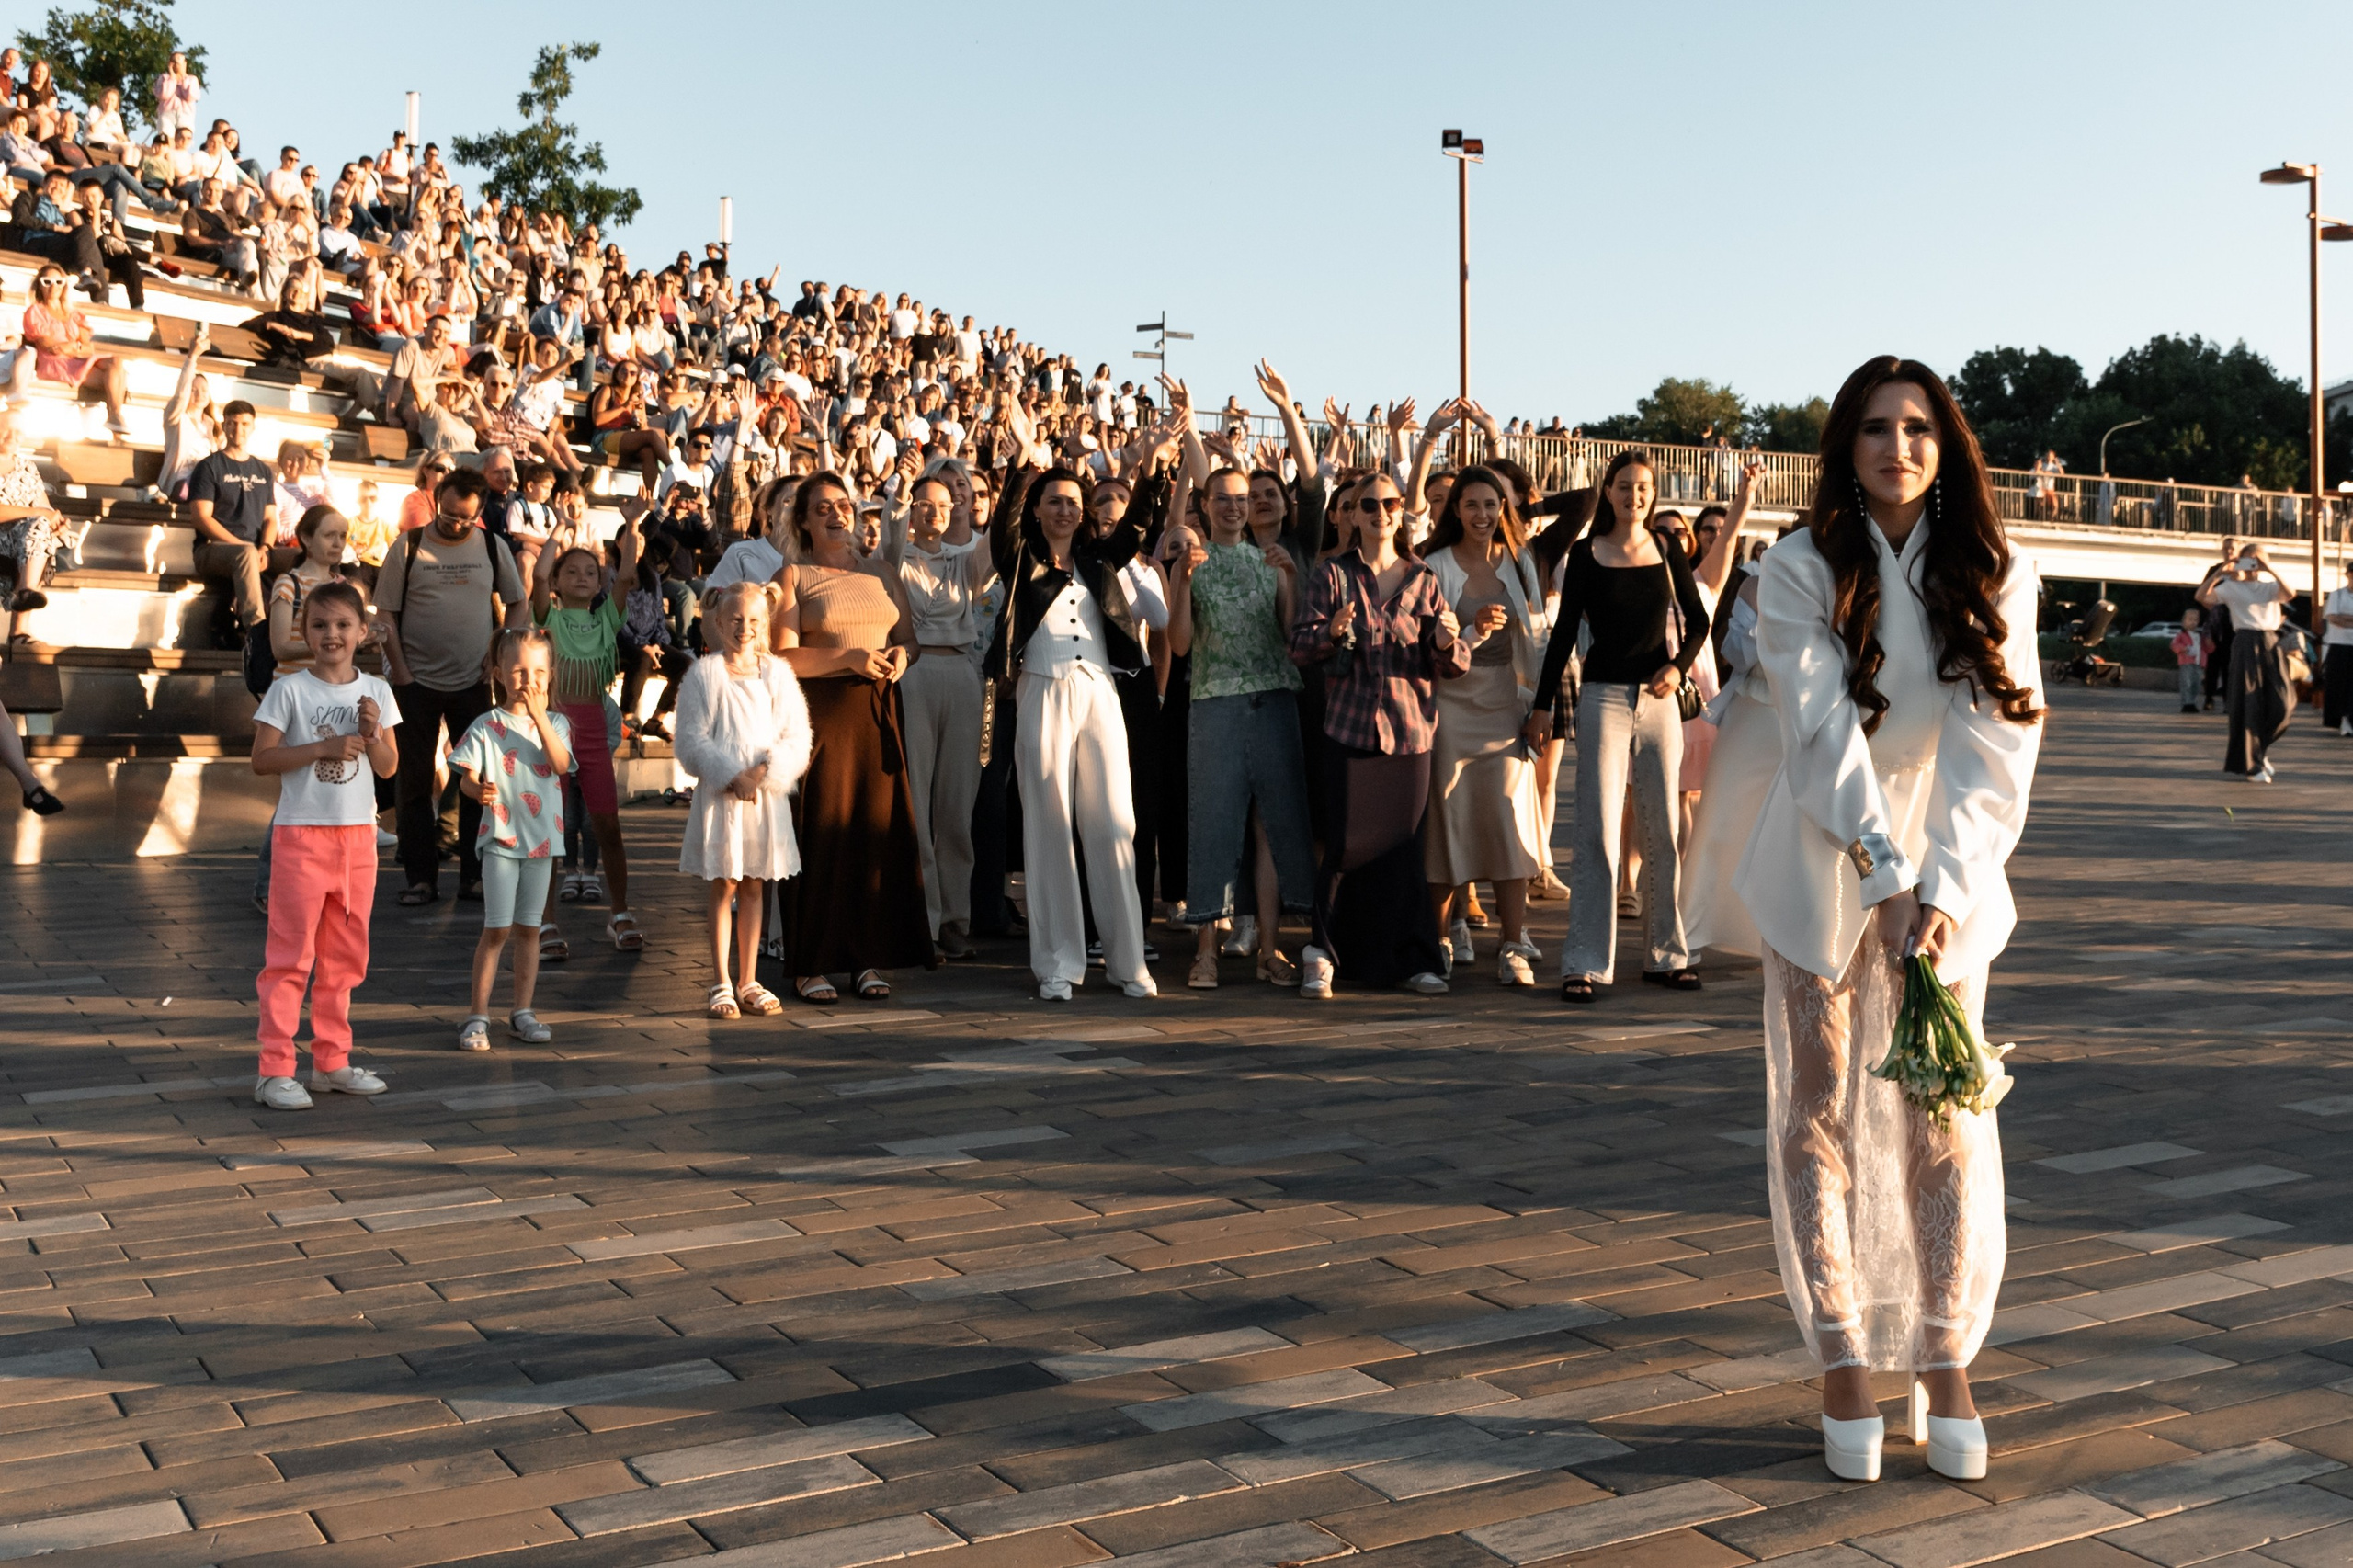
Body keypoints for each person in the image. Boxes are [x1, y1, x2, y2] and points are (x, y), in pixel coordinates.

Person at [1736, 357, 2043, 1486]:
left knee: (1940, 1105)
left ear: (1944, 443)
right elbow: (1818, 730)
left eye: (1917, 427)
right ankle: (1840, 1356)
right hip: (1824, 845)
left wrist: (1944, 889)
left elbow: (1995, 745)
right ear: (1845, 446)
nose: (1897, 446)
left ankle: (1944, 1354)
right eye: (1874, 427)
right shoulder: (1797, 564)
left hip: (1950, 853)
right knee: (1817, 1101)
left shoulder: (1997, 567)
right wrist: (1881, 872)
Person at [985, 401, 1156, 1002]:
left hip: (1100, 690)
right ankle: (1058, 963)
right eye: (1054, 500)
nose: (1065, 509)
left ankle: (1128, 961)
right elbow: (1002, 531)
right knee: (1049, 825)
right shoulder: (1021, 560)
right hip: (1042, 686)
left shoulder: (1098, 560)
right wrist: (1022, 463)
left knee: (1114, 823)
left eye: (1073, 502)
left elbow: (1138, 528)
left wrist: (1151, 467)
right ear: (1037, 508)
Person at [1526, 448, 1711, 1003]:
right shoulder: (1586, 553)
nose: (1635, 495)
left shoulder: (1666, 547)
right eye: (1625, 485)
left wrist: (1677, 667)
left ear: (1654, 493)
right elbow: (1563, 634)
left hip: (1659, 700)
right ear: (1609, 491)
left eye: (1644, 486)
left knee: (1664, 830)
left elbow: (1699, 621)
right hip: (1602, 696)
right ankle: (1584, 962)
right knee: (1597, 830)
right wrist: (1541, 705)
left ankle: (1667, 956)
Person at [1289, 469, 1467, 999]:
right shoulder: (1334, 575)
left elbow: (1453, 662)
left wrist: (1446, 641)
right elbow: (1300, 646)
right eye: (1369, 504)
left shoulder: (1423, 578)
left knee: (1403, 851)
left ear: (1400, 511)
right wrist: (1331, 630)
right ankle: (1322, 952)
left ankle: (1413, 958)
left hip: (1409, 732)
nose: (1381, 513)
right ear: (1351, 514)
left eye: (1390, 503)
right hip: (1349, 726)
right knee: (1345, 846)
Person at [771, 472, 934, 999]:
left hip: (879, 711)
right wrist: (849, 657)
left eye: (843, 505)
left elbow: (909, 638)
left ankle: (865, 957)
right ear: (803, 521)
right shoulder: (793, 575)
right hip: (823, 715)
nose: (837, 515)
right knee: (821, 835)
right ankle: (810, 963)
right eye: (822, 508)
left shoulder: (883, 571)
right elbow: (782, 656)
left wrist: (903, 656)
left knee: (873, 832)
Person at [247, 580, 398, 1112]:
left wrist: (372, 733)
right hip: (301, 837)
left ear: (363, 631)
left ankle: (331, 1061)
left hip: (358, 839)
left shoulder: (377, 690)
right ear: (305, 633)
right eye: (319, 625)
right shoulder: (289, 690)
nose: (331, 634)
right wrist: (322, 748)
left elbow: (389, 768)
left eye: (342, 624)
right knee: (290, 957)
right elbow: (262, 760)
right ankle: (274, 1070)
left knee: (345, 959)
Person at [1165, 467, 1314, 989]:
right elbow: (1179, 644)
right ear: (1204, 505)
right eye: (1223, 498)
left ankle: (1270, 951)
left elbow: (1290, 638)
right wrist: (1184, 581)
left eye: (1242, 499)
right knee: (1212, 823)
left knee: (1273, 826)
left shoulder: (1270, 559)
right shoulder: (1189, 563)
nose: (1233, 507)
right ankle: (1205, 950)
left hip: (1274, 700)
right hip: (1214, 701)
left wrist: (1290, 581)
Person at [1418, 464, 1549, 986]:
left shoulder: (1520, 562)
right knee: (1449, 819)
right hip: (1449, 704)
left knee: (1507, 818)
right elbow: (1426, 646)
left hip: (1503, 703)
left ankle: (1513, 943)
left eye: (1491, 505)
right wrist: (1471, 630)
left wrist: (1539, 707)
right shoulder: (1434, 565)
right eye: (1471, 504)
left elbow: (1537, 639)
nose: (1482, 514)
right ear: (1455, 510)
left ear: (1504, 510)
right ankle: (1441, 938)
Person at [376, 465, 528, 905]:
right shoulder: (408, 546)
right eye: (448, 514)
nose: (456, 524)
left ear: (479, 513)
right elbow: (385, 615)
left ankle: (474, 876)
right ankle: (420, 878)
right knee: (414, 783)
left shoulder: (492, 546)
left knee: (478, 781)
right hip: (414, 683)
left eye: (466, 518)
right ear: (436, 499)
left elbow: (518, 603)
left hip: (472, 684)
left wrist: (498, 653)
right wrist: (401, 672)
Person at [676, 580, 813, 1017]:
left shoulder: (778, 675)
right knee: (725, 884)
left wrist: (762, 773)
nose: (744, 628)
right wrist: (731, 776)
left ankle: (749, 979)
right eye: (735, 619)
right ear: (718, 622)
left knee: (754, 883)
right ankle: (721, 980)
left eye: (754, 620)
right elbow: (691, 738)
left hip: (762, 798)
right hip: (724, 800)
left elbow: (797, 736)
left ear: (765, 623)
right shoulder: (705, 674)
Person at [449, 630, 574, 1051]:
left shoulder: (557, 724)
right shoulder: (486, 725)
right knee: (497, 927)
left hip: (543, 841)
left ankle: (523, 1010)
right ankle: (477, 1015)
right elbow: (465, 777)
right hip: (501, 839)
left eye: (538, 672)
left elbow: (560, 764)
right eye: (519, 671)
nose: (528, 681)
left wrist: (540, 717)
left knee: (529, 928)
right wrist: (475, 789)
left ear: (550, 675)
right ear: (500, 675)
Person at [888, 471, 993, 958]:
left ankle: (954, 918)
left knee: (956, 804)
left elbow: (999, 544)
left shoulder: (963, 561)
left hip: (963, 676)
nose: (935, 512)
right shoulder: (896, 558)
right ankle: (921, 920)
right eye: (925, 504)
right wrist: (899, 493)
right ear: (912, 510)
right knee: (917, 797)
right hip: (913, 674)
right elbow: (891, 538)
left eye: (945, 504)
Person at [530, 509, 644, 951]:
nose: (582, 577)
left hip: (595, 730)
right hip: (553, 730)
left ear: (600, 584)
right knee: (550, 830)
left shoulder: (606, 619)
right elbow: (538, 575)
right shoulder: (550, 619)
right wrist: (560, 527)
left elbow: (627, 575)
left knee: (608, 827)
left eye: (591, 572)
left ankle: (620, 913)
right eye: (572, 571)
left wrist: (632, 527)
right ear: (558, 583)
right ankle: (545, 921)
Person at [187, 399, 284, 642]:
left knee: (304, 555)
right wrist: (245, 547)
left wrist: (266, 547)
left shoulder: (263, 470)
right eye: (232, 423)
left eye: (244, 424)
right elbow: (201, 517)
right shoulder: (209, 467)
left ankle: (303, 628)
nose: (238, 429)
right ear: (224, 425)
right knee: (246, 554)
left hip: (255, 549)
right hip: (212, 550)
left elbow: (270, 519)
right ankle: (257, 632)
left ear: (253, 427)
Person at [2197, 545, 2294, 781]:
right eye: (2249, 559)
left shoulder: (2270, 587)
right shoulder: (2231, 587)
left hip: (2271, 641)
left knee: (2284, 703)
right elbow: (2201, 597)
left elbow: (2290, 593)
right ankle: (2252, 765)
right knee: (2249, 703)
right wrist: (2220, 571)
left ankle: (2260, 750)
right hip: (2246, 641)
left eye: (2257, 559)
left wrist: (2269, 569)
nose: (2253, 564)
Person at [21, 263, 130, 439]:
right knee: (116, 376)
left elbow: (87, 347)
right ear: (39, 285)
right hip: (54, 363)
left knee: (117, 361)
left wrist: (72, 347)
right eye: (47, 282)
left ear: (64, 285)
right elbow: (50, 346)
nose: (53, 286)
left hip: (76, 359)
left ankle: (115, 415)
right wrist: (75, 346)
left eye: (59, 282)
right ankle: (115, 417)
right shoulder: (35, 312)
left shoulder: (74, 314)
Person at [2322, 565, 2353, 735]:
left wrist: (2345, 618)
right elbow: (2333, 617)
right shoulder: (2337, 595)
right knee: (2339, 684)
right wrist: (2345, 620)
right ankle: (2341, 719)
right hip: (2339, 644)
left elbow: (2340, 618)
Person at [2171, 607, 2211, 718]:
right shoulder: (2181, 635)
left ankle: (2192, 702)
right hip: (2186, 662)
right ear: (2184, 621)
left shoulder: (2199, 635)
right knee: (2187, 683)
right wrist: (2183, 649)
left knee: (2196, 684)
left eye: (2195, 620)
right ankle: (2186, 703)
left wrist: (2209, 644)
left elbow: (2206, 649)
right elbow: (2174, 645)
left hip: (2198, 663)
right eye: (2190, 619)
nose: (2193, 622)